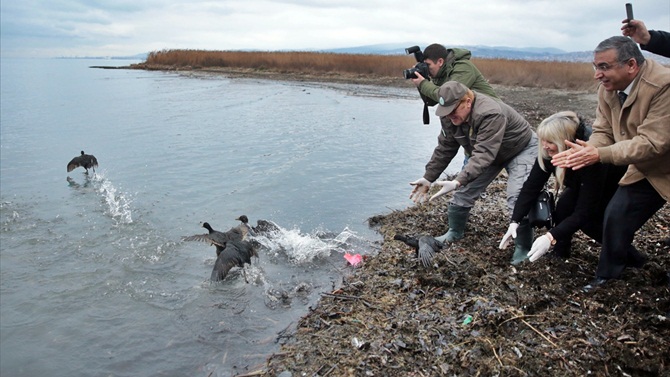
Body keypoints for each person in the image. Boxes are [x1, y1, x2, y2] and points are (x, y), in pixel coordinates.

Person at [551, 36, 669, 291]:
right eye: (595, 67)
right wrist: (589, 150)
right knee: (616, 215)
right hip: (643, 166)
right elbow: (604, 130)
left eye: (604, 66)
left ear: (631, 65)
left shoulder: (663, 86)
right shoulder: (608, 89)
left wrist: (600, 155)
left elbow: (652, 142)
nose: (598, 75)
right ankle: (608, 277)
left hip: (663, 162)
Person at [409, 81, 538, 264]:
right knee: (462, 193)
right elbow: (446, 147)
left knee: (517, 197)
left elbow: (484, 155)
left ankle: (523, 248)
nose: (450, 115)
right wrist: (429, 177)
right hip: (487, 152)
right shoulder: (448, 114)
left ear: (468, 102)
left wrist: (457, 180)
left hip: (520, 148)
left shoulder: (490, 113)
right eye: (446, 111)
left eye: (454, 110)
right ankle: (454, 232)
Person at [498, 111, 626, 262]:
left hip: (612, 185)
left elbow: (585, 211)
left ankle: (630, 258)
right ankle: (560, 252)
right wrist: (515, 221)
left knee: (591, 224)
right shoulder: (548, 152)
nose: (545, 146)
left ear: (565, 141)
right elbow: (531, 187)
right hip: (579, 183)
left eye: (550, 141)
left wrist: (550, 237)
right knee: (562, 210)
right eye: (542, 140)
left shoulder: (589, 157)